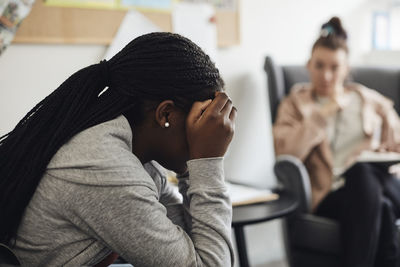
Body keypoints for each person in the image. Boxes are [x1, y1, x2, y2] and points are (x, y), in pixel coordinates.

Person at [0, 32, 237, 266]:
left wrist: (192, 169)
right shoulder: (105, 165)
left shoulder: (136, 157)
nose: (206, 134)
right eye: (201, 121)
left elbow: (190, 244)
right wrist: (208, 161)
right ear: (165, 114)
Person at [273, 17, 400, 267]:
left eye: (334, 67)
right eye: (319, 66)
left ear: (346, 69)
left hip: (377, 187)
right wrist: (323, 114)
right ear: (309, 65)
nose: (327, 75)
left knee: (369, 180)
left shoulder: (369, 100)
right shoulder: (294, 104)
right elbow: (286, 154)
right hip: (329, 195)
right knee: (372, 191)